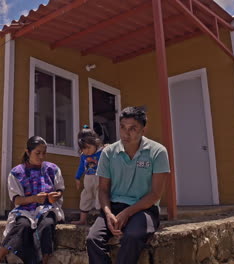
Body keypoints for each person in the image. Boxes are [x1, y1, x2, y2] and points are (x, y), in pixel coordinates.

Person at [86, 106, 170, 264]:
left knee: (132, 237)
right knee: (92, 239)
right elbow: (103, 190)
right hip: (114, 207)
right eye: (123, 127)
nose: (126, 133)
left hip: (144, 209)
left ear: (143, 130)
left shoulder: (158, 152)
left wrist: (128, 213)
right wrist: (108, 212)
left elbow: (155, 194)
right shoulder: (108, 153)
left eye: (133, 128)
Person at [0, 136, 65, 264]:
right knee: (22, 225)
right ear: (28, 152)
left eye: (44, 153)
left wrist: (56, 196)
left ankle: (42, 262)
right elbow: (17, 200)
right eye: (37, 153)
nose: (41, 157)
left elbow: (60, 189)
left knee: (47, 225)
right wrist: (34, 198)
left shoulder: (52, 169)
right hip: (25, 210)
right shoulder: (16, 173)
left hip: (47, 209)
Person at [71, 125, 104, 225]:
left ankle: (101, 220)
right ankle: (82, 219)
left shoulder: (102, 152)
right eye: (83, 148)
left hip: (99, 180)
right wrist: (77, 178)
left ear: (96, 143)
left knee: (100, 198)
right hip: (88, 180)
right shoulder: (83, 156)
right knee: (85, 197)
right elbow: (81, 167)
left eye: (89, 148)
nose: (87, 151)